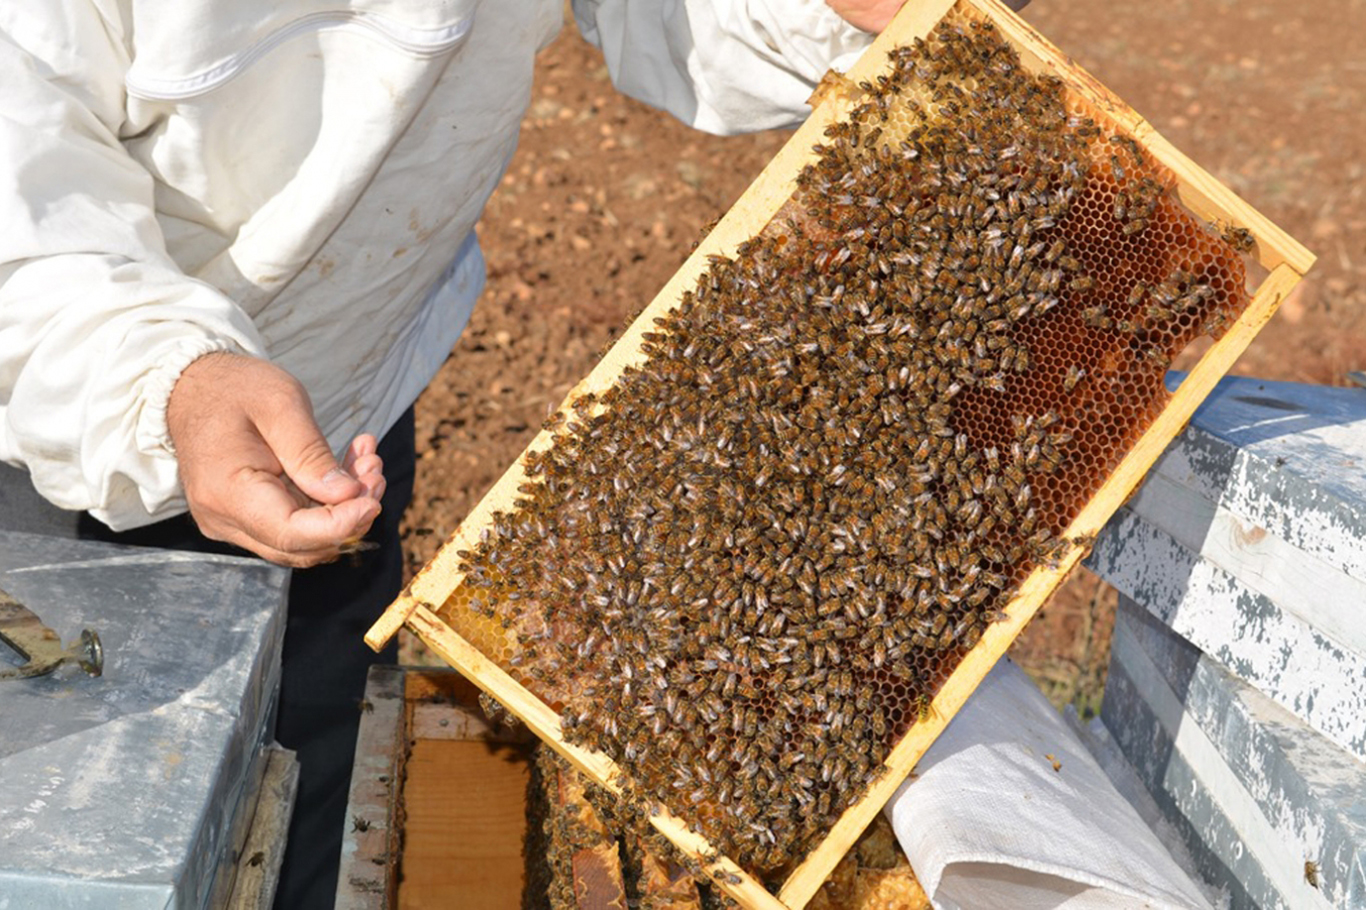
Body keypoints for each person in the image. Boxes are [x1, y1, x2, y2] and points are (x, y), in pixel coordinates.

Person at [0, 0, 1028, 904]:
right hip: (62, 413)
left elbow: (676, 18)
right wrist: (169, 381)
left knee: (312, 785)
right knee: (84, 838)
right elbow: (22, 196)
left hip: (345, 405)